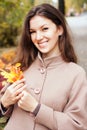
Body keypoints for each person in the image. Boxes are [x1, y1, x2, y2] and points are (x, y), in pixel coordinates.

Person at [0, 3, 87, 130]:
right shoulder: (21, 66)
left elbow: (78, 125)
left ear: (60, 29)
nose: (38, 37)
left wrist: (37, 109)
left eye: (45, 29)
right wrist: (4, 103)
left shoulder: (76, 74)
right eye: (32, 32)